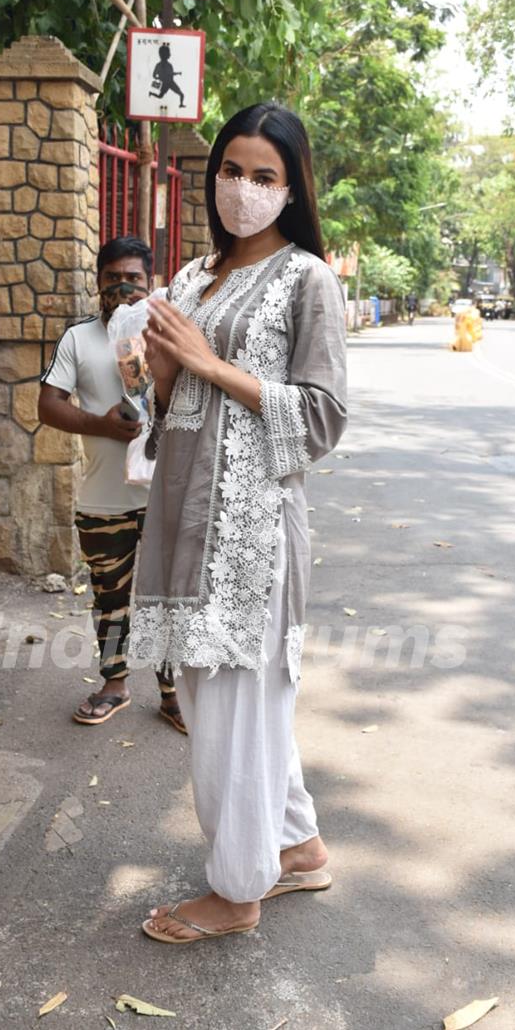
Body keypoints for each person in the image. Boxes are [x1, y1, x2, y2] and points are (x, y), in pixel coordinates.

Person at [128, 102, 347, 943]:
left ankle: (237, 890)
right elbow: (175, 413)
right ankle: (296, 848)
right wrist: (162, 372)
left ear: (290, 190)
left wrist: (211, 364)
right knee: (228, 704)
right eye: (230, 171)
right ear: (209, 174)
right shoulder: (189, 279)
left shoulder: (307, 281)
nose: (242, 190)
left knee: (229, 713)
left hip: (250, 537)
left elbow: (323, 417)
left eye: (264, 177)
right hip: (185, 515)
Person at [38, 236, 186, 733]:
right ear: (98, 281)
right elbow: (47, 405)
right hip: (103, 500)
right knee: (110, 597)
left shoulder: (170, 333)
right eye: (111, 278)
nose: (122, 288)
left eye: (134, 280)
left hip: (165, 495)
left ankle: (173, 693)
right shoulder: (78, 339)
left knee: (168, 596)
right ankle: (115, 684)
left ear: (151, 282)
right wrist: (100, 424)